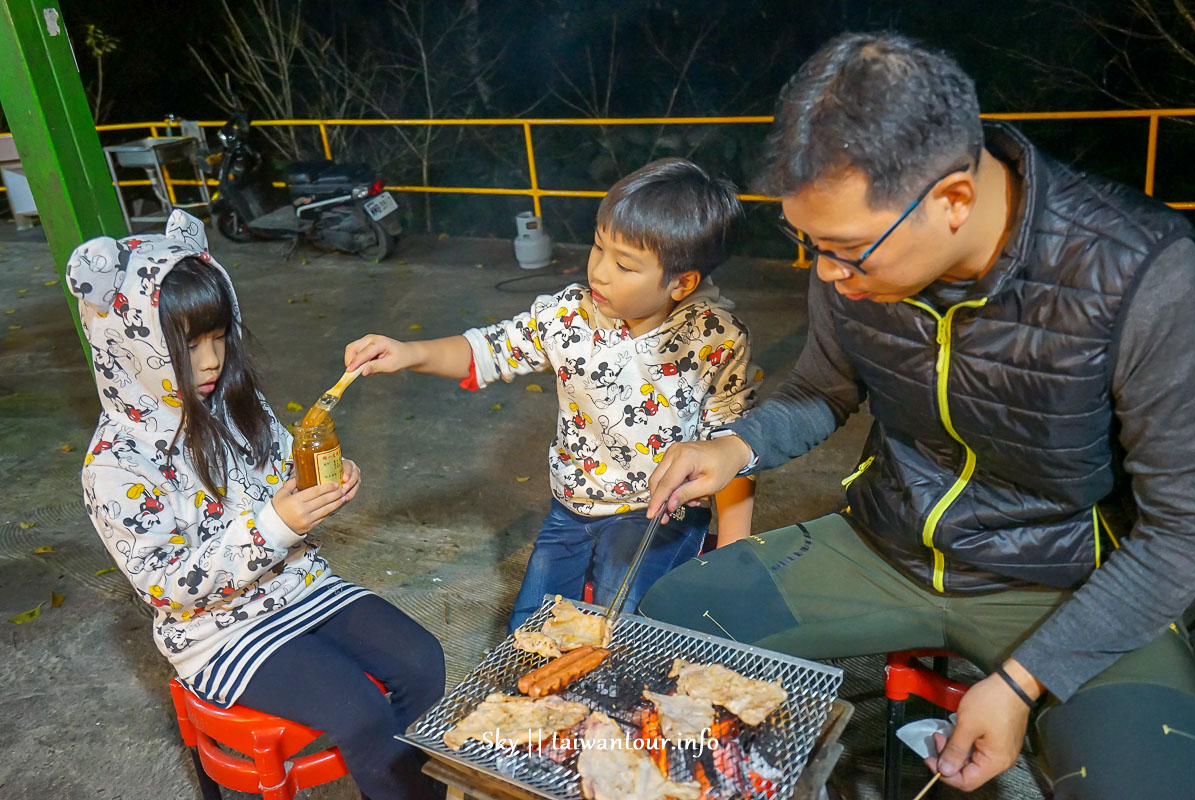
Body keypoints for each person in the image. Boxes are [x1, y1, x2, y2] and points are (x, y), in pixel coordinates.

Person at [639, 33, 1195, 800]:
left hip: (1064, 579)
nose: (829, 275)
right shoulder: (853, 263)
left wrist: (1021, 683)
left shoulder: (1146, 276)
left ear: (953, 200)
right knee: (673, 619)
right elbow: (823, 386)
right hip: (885, 545)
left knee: (1150, 785)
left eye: (845, 251)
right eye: (810, 245)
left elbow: (1184, 533)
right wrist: (737, 446)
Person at [70, 211, 445, 800]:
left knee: (424, 660)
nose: (211, 361)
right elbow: (168, 585)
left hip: (299, 585)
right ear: (128, 346)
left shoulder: (235, 403)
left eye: (219, 337)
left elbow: (281, 481)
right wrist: (276, 524)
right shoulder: (116, 467)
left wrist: (317, 487)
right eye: (187, 346)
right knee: (362, 712)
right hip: (216, 632)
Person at [345, 158, 760, 632]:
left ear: (681, 282)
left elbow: (733, 446)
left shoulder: (715, 338)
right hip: (572, 505)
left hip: (658, 514)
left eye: (625, 265)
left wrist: (733, 551)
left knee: (619, 628)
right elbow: (487, 350)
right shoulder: (569, 316)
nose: (599, 273)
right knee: (531, 632)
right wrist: (408, 351)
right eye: (598, 247)